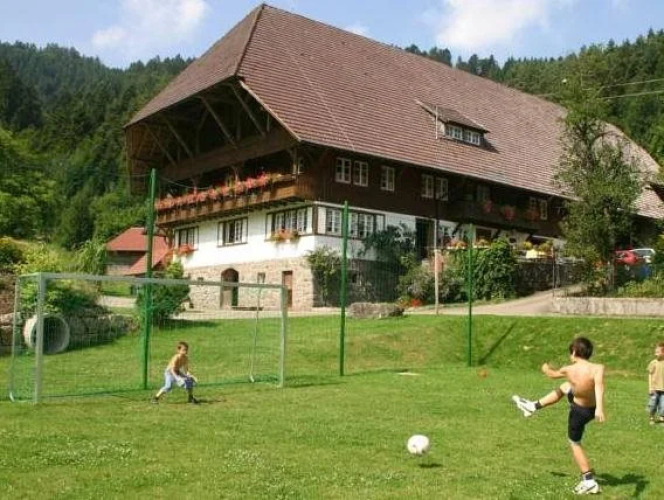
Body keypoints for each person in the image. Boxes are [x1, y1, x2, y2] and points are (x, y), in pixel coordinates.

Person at [512, 337, 605, 495]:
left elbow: (552, 374)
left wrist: (545, 368)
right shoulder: (598, 368)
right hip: (591, 409)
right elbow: (599, 386)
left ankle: (588, 480)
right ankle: (532, 406)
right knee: (566, 386)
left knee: (574, 442)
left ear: (574, 352)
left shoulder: (568, 369)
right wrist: (600, 409)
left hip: (579, 411)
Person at [647, 341, 664, 424]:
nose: (655, 353)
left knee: (663, 405)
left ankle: (662, 418)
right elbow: (650, 375)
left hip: (663, 389)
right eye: (655, 352)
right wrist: (650, 387)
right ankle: (651, 417)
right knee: (653, 405)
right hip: (654, 389)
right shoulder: (653, 363)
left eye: (658, 352)